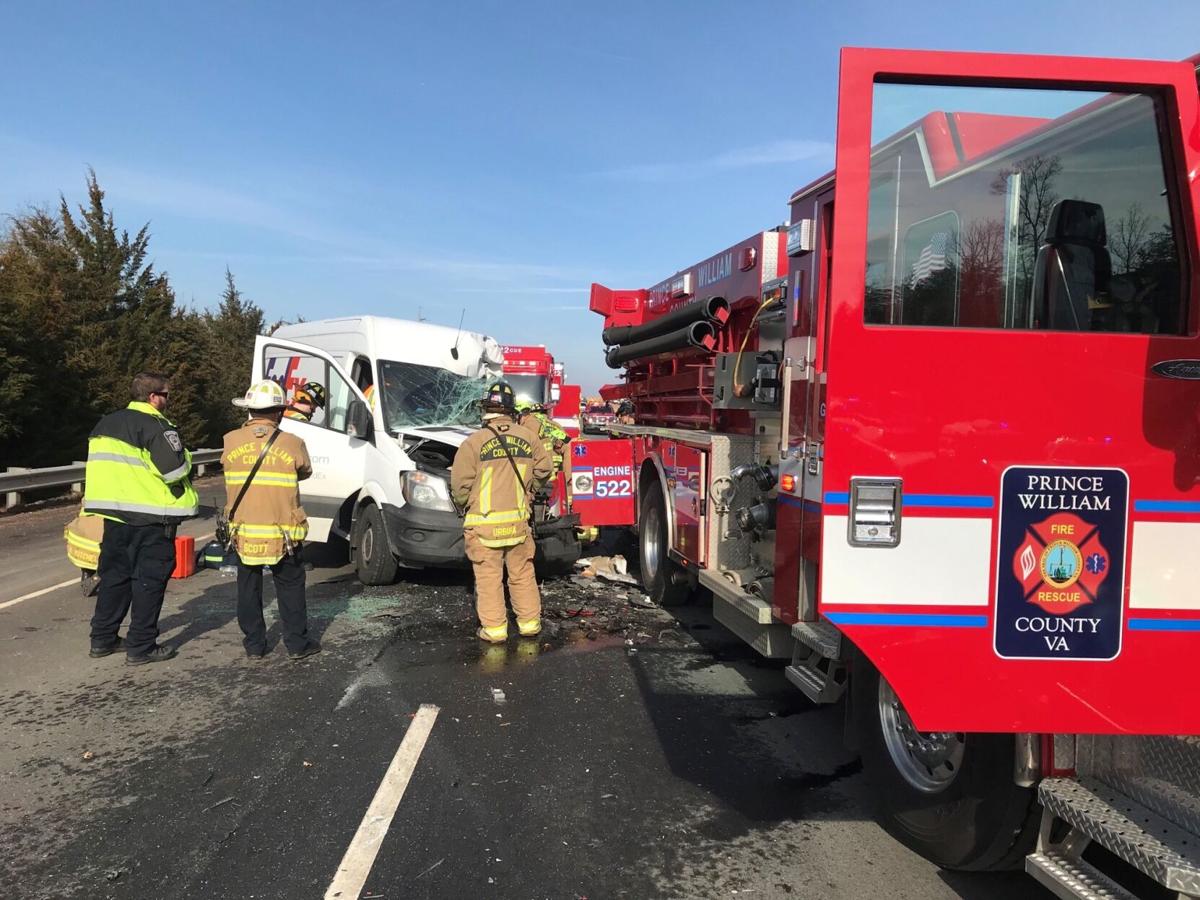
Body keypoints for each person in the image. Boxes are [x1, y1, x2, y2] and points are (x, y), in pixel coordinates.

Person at [82, 371, 198, 664]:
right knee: (148, 582)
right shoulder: (156, 426)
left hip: (115, 517)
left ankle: (103, 639)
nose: (168, 400)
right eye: (167, 395)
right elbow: (173, 471)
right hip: (150, 519)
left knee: (114, 578)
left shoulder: (105, 423)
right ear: (153, 397)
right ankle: (141, 646)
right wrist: (187, 456)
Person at [222, 379, 321, 661]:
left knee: (248, 587)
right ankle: (297, 644)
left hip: (243, 531)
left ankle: (254, 645)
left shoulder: (230, 441)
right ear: (279, 411)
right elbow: (305, 471)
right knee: (290, 587)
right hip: (284, 533)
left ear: (250, 410)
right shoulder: (292, 443)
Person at [451, 381, 553, 642]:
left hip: (484, 527)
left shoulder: (474, 443)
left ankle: (495, 630)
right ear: (510, 410)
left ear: (485, 409)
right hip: (518, 524)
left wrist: (464, 504)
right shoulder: (529, 438)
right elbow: (544, 471)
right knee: (522, 575)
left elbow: (460, 487)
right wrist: (529, 491)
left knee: (489, 579)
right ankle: (529, 625)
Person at [516, 399, 570, 471]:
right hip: (560, 456)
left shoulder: (529, 423)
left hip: (547, 460)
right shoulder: (551, 423)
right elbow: (566, 439)